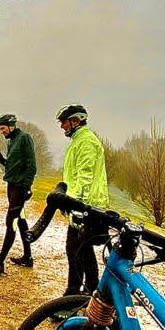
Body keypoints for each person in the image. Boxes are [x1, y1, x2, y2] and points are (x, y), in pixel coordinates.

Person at [56, 103, 109, 296]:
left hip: (88, 206)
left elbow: (84, 176)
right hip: (84, 204)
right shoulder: (79, 140)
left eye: (64, 121)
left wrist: (76, 204)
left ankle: (75, 293)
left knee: (76, 249)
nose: (62, 126)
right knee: (82, 250)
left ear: (76, 121)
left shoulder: (86, 142)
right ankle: (89, 290)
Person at [0, 114, 37, 276]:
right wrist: (2, 160)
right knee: (20, 220)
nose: (1, 131)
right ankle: (27, 257)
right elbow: (14, 166)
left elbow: (31, 165)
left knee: (11, 222)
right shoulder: (12, 141)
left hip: (19, 188)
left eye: (3, 128)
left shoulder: (24, 138)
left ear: (11, 126)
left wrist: (27, 187)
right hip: (12, 186)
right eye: (0, 129)